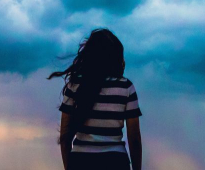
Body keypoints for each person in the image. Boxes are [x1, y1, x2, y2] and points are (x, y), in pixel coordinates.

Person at [47, 28, 143, 170]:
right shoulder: (126, 87)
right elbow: (134, 139)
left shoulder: (74, 86)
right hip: (115, 162)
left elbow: (65, 137)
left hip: (81, 161)